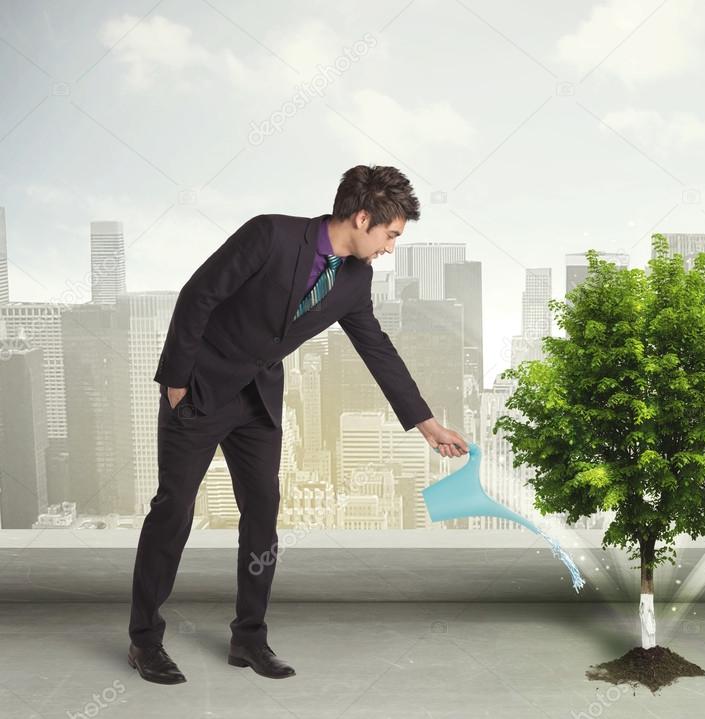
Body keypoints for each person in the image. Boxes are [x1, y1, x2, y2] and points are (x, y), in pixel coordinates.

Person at [128, 165, 468, 684]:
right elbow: (199, 294)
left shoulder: (355, 279)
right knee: (174, 510)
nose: (390, 248)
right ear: (362, 217)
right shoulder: (271, 233)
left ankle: (249, 639)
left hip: (258, 402)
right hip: (199, 390)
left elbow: (376, 347)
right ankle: (145, 642)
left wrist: (426, 424)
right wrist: (176, 379)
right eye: (391, 235)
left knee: (263, 514)